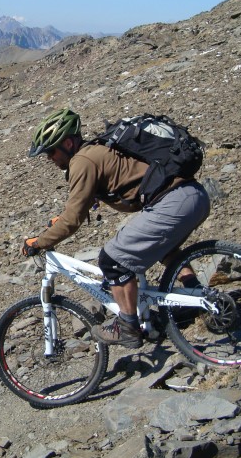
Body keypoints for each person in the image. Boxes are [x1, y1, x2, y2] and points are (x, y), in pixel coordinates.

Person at [21, 108, 211, 348]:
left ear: (68, 143)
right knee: (164, 249)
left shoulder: (82, 161)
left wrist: (38, 242)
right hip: (193, 197)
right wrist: (58, 222)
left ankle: (128, 326)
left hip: (174, 203)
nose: (50, 158)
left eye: (50, 151)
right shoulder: (97, 151)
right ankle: (197, 295)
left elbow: (73, 219)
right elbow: (82, 204)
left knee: (112, 260)